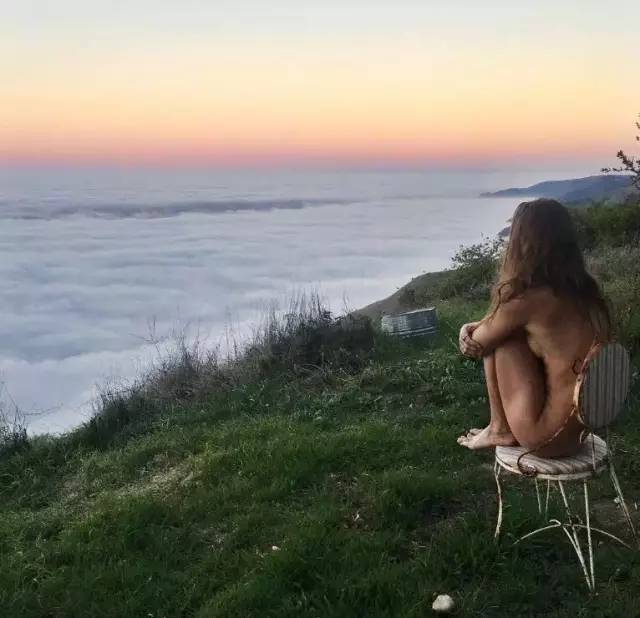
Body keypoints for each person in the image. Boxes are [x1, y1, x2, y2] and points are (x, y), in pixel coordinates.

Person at [457, 199, 610, 457]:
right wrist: (481, 326)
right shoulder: (586, 292)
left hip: (547, 439)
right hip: (580, 432)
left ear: (523, 243)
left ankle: (499, 429)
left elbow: (478, 344)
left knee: (503, 341)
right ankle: (499, 428)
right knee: (508, 331)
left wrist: (468, 329)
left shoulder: (528, 301)